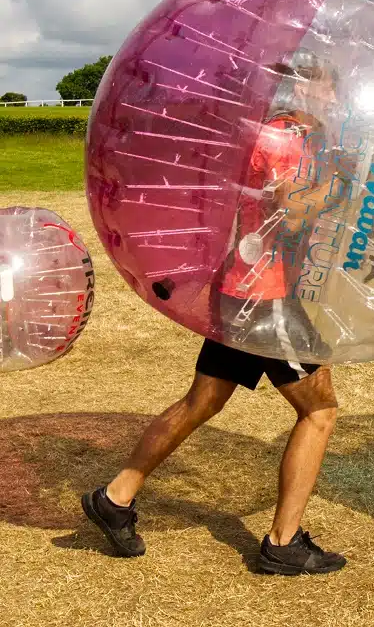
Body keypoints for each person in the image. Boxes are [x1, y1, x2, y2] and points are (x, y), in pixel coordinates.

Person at [82, 50, 349, 576]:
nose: (336, 97)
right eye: (329, 86)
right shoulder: (282, 141)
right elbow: (292, 212)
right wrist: (340, 181)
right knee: (319, 412)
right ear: (305, 88)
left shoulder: (300, 136)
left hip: (245, 289)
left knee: (201, 403)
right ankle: (283, 543)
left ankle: (115, 498)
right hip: (264, 298)